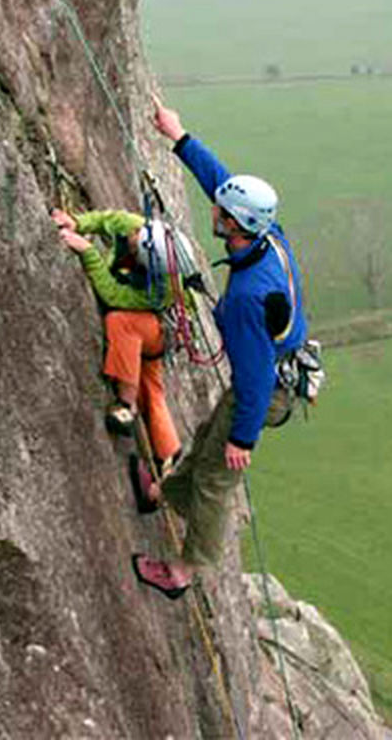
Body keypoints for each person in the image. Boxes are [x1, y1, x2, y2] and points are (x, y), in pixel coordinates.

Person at [131, 98, 308, 600]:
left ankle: (184, 573)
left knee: (216, 477)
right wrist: (179, 137)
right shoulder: (265, 233)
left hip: (266, 388)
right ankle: (161, 493)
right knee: (209, 434)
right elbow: (223, 182)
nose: (213, 208)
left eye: (221, 212)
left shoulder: (252, 299)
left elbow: (252, 382)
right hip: (269, 377)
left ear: (233, 224)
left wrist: (244, 441)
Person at [53, 208, 184, 473]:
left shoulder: (162, 289)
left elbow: (113, 296)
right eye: (134, 236)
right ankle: (169, 456)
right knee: (152, 390)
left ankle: (126, 403)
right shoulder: (140, 229)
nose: (132, 237)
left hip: (156, 330)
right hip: (154, 331)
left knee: (121, 323)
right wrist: (77, 222)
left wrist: (88, 252)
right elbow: (108, 220)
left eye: (136, 247)